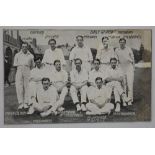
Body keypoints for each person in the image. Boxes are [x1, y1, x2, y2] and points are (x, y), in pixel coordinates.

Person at [14, 42, 34, 110]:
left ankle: (26, 102)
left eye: (25, 46)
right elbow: (15, 65)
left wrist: (28, 71)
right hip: (19, 70)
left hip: (27, 70)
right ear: (21, 47)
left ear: (27, 47)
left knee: (27, 86)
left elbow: (32, 66)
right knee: (19, 87)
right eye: (23, 46)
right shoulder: (17, 55)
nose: (24, 48)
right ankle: (20, 103)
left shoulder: (30, 55)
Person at [115, 38, 135, 105]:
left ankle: (129, 100)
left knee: (130, 84)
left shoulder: (128, 49)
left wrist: (133, 68)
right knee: (123, 84)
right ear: (119, 43)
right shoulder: (117, 50)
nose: (122, 43)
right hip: (121, 67)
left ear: (125, 43)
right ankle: (124, 100)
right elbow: (116, 60)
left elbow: (133, 58)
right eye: (121, 42)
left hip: (129, 67)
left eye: (123, 42)